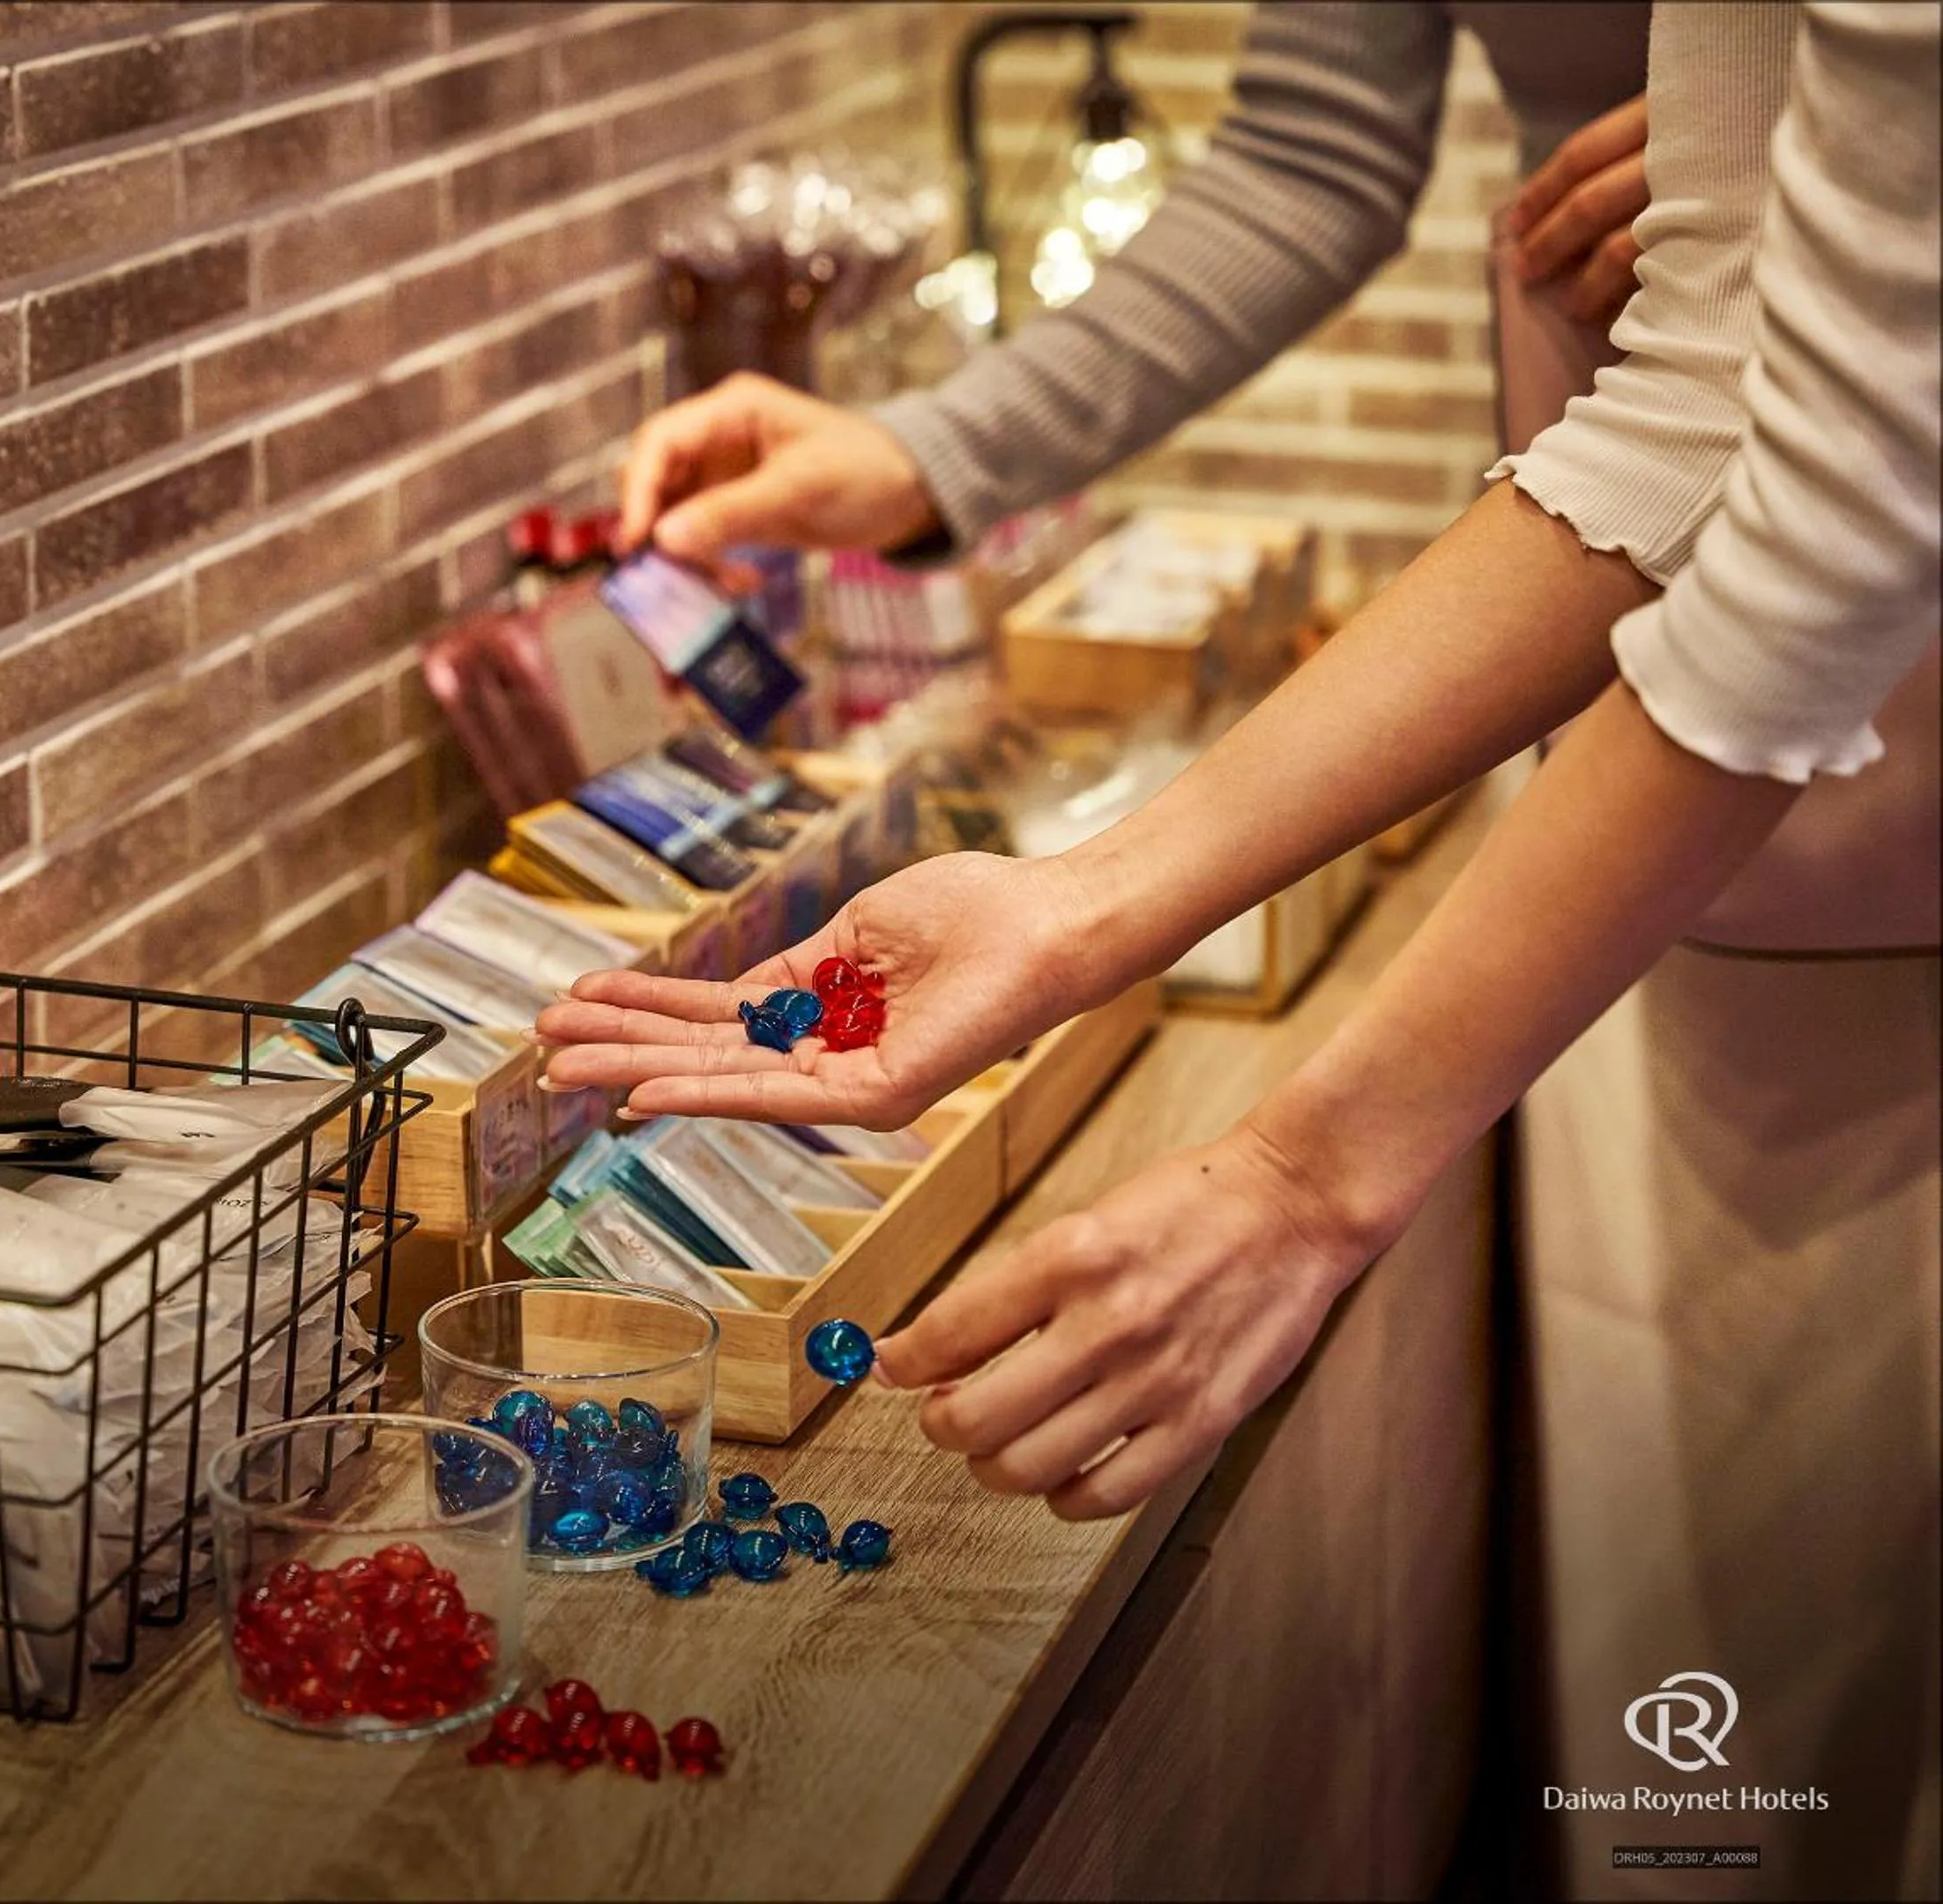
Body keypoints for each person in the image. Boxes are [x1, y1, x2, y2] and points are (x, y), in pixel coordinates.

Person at [540, 4, 1939, 1895]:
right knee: (1732, 1643)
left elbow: (1830, 513)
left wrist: (1306, 1168)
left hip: (1847, 720)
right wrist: (1077, 904)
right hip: (1702, 762)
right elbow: (1696, 410)